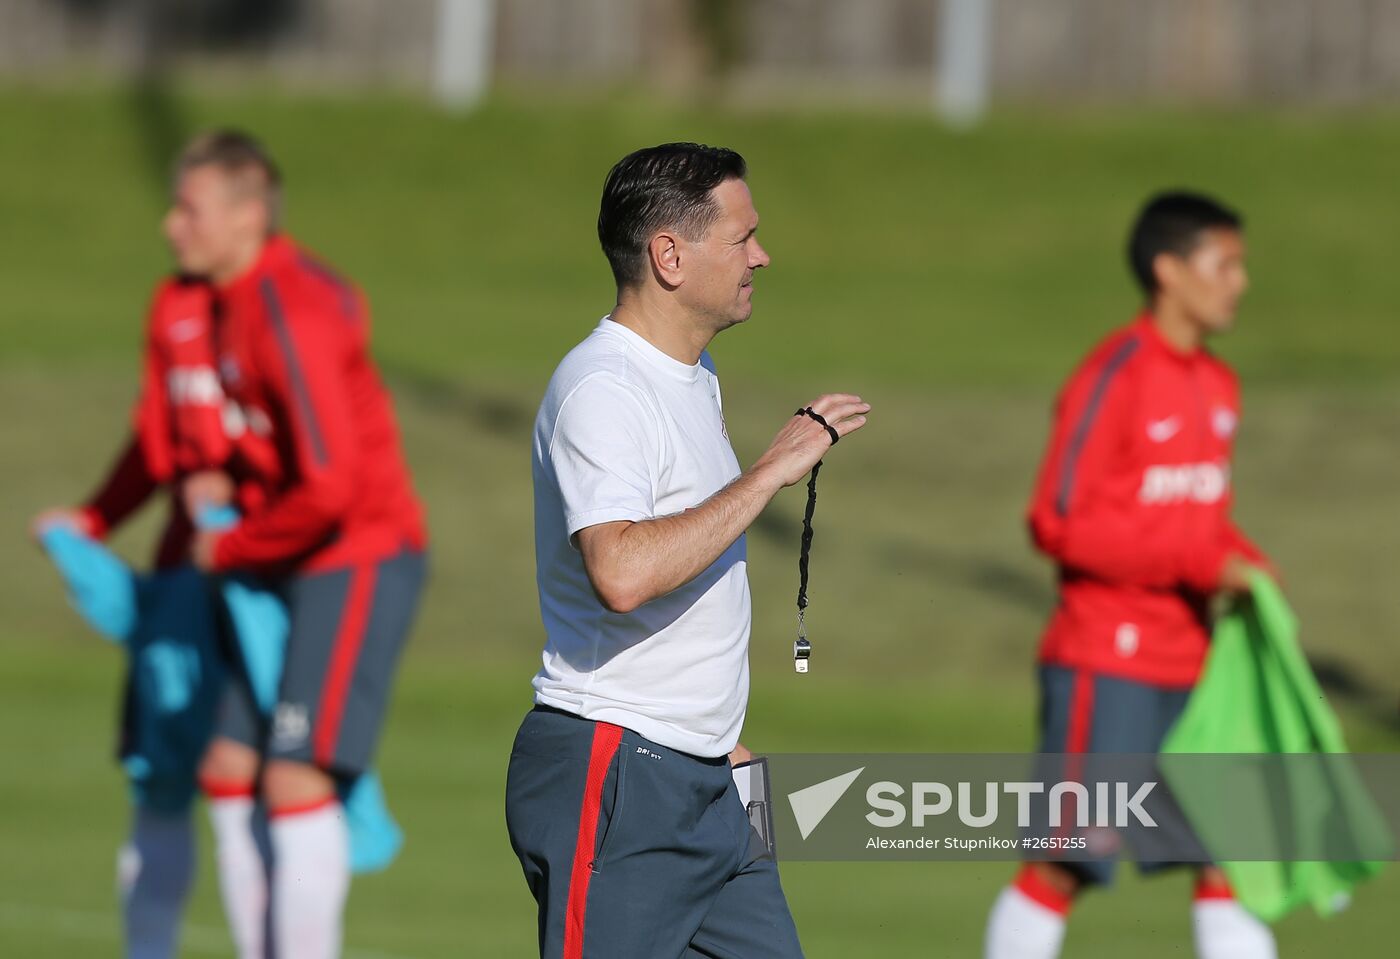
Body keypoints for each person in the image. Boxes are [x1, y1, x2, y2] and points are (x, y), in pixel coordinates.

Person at [506, 142, 870, 958]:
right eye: (742, 238)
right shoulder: (603, 387)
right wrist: (771, 473)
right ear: (669, 256)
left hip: (706, 779)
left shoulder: (692, 374)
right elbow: (623, 571)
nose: (761, 256)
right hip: (616, 772)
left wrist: (727, 750)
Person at [983, 191, 1278, 959]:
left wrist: (1250, 563)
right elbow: (1057, 520)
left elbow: (1198, 520)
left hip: (1198, 667)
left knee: (1230, 859)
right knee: (1065, 861)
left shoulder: (1219, 386)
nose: (1240, 282)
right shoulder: (1112, 374)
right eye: (1227, 264)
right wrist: (1201, 560)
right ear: (1169, 270)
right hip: (1106, 660)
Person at [161, 131, 428, 959]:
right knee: (229, 764)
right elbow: (275, 442)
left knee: (294, 773)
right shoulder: (232, 298)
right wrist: (226, 479)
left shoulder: (287, 309)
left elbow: (333, 485)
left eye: (189, 209)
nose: (173, 227)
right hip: (292, 560)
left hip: (355, 559)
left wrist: (234, 544)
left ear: (247, 216)